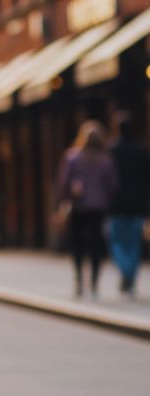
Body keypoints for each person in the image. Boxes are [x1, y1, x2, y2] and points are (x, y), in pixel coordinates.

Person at [55, 119, 118, 299]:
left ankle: (79, 280)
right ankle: (94, 282)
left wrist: (64, 200)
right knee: (96, 244)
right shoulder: (105, 159)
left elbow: (63, 182)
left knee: (77, 244)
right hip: (98, 207)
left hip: (79, 206)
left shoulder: (72, 156)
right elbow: (113, 184)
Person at [107, 111, 149, 296]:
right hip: (138, 205)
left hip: (116, 205)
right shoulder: (141, 150)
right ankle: (130, 272)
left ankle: (126, 270)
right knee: (133, 242)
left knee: (117, 241)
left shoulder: (112, 151)